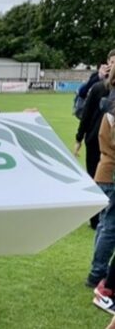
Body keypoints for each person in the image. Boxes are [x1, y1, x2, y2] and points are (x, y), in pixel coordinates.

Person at [75, 50, 115, 232]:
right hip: (94, 139)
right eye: (112, 61)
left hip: (110, 145)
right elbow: (86, 113)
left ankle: (105, 216)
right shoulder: (98, 86)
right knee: (95, 179)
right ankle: (95, 219)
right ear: (107, 62)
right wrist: (79, 137)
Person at [87, 66, 115, 295]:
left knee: (106, 225)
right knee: (110, 226)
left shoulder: (108, 106)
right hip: (111, 171)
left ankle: (97, 270)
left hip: (104, 169)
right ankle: (98, 274)